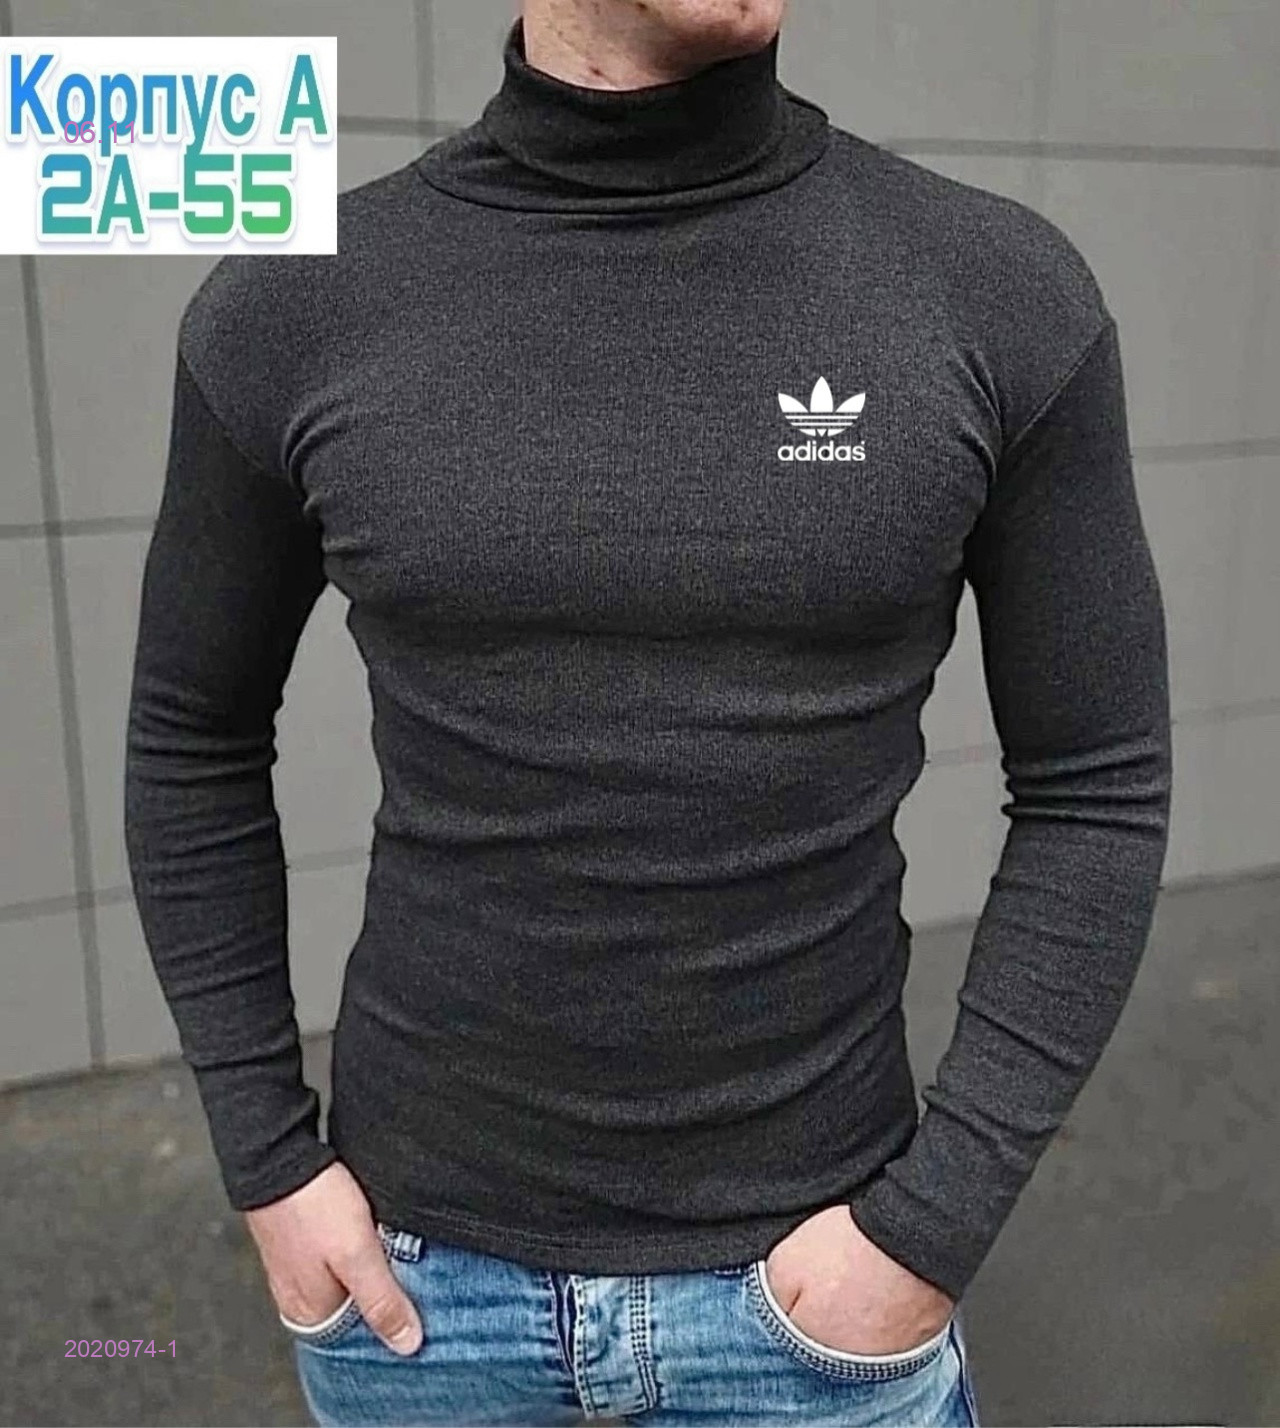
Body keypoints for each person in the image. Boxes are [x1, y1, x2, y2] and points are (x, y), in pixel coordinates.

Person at [123, 0, 1173, 1423]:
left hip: (818, 1311)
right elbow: (189, 741)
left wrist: (929, 1231)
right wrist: (268, 1164)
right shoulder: (295, 303)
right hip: (418, 1304)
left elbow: (1098, 784)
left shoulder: (994, 292)